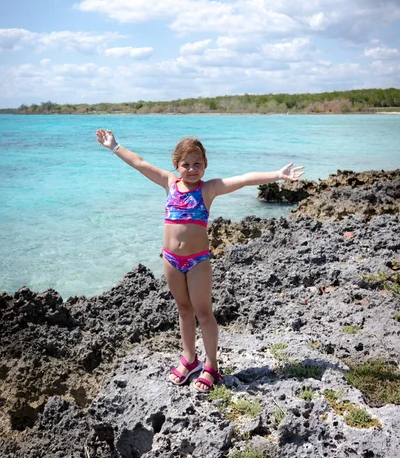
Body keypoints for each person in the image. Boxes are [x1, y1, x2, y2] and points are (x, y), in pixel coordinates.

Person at [96, 129, 304, 393]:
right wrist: (114, 146)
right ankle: (190, 359)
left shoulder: (208, 189)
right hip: (171, 259)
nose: (192, 169)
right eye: (186, 164)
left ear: (205, 165)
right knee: (183, 308)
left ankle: (212, 366)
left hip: (197, 261)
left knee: (203, 312)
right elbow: (140, 163)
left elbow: (242, 179)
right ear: (176, 165)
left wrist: (277, 175)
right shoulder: (169, 183)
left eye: (197, 164)